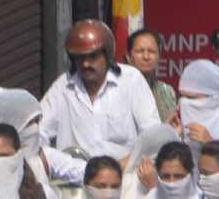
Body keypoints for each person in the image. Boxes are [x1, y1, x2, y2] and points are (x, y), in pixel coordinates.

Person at [37, 19, 162, 161]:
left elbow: (152, 135)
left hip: (124, 176)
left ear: (107, 55)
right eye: (80, 58)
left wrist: (125, 165)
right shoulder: (62, 87)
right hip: (73, 177)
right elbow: (38, 133)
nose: (86, 64)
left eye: (93, 57)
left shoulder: (131, 81)